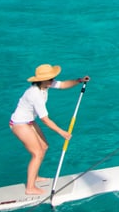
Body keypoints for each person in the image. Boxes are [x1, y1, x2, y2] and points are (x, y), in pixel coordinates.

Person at [10, 64, 90, 195]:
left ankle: (35, 177)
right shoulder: (35, 94)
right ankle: (30, 188)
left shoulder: (45, 85)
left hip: (29, 121)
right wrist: (62, 132)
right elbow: (45, 119)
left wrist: (79, 80)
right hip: (20, 124)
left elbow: (63, 85)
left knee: (44, 146)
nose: (53, 80)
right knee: (37, 153)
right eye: (50, 78)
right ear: (42, 80)